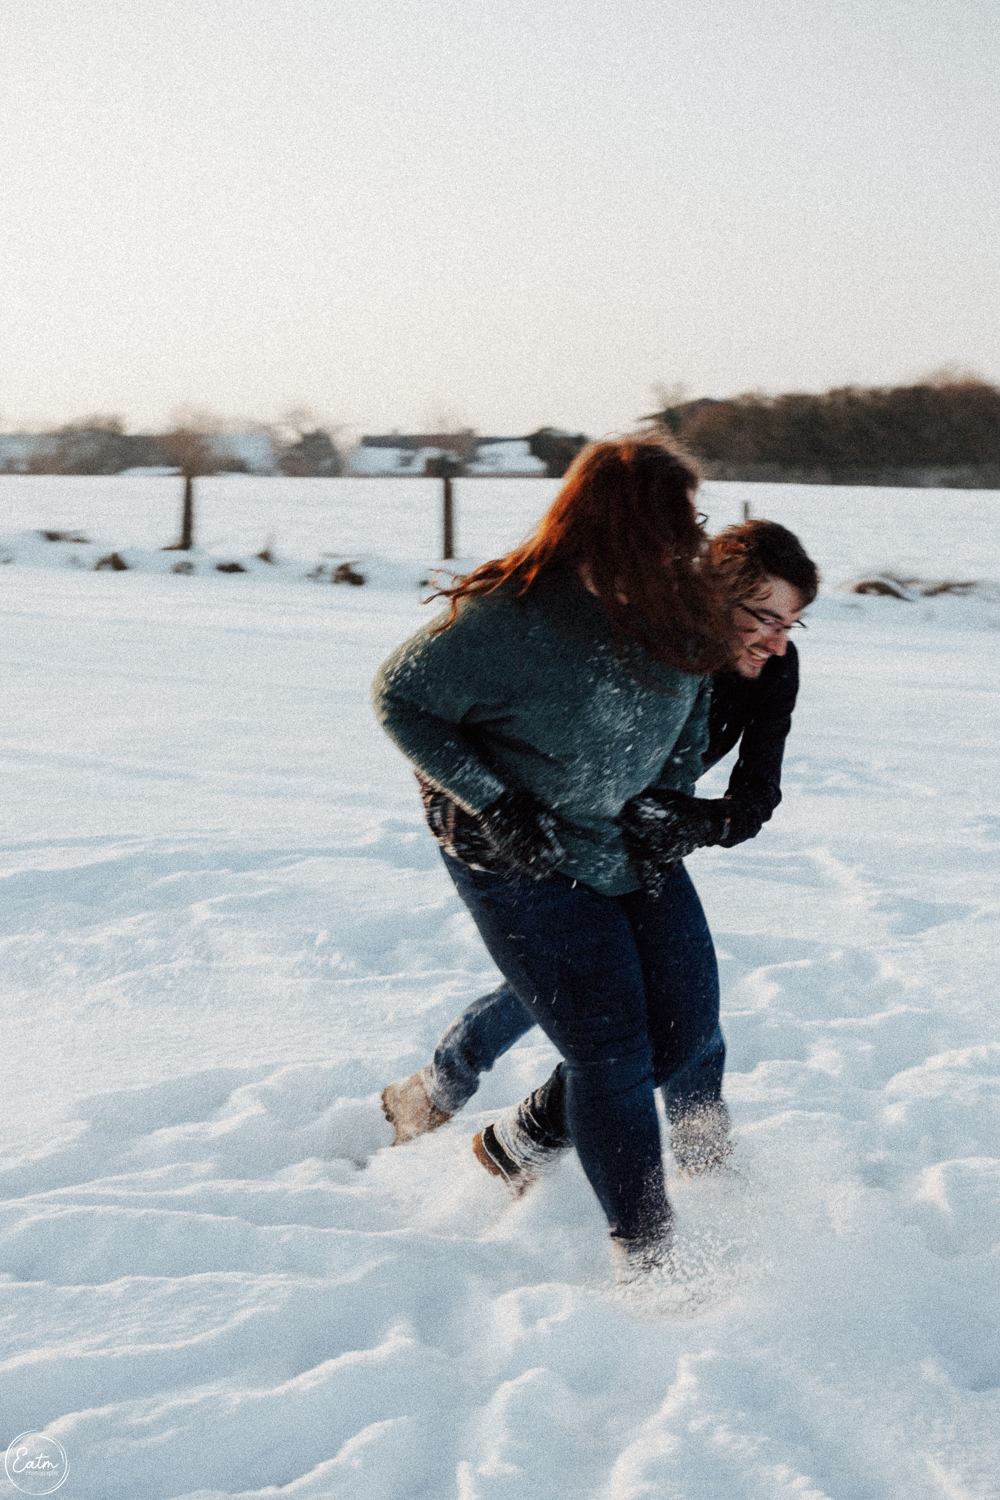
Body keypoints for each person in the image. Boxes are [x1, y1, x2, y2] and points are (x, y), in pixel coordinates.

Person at [373, 438, 783, 1278]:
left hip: (624, 841)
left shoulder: (679, 609)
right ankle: (648, 1257)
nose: (690, 539)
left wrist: (670, 808)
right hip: (516, 849)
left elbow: (692, 714)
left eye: (692, 519)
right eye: (673, 521)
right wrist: (494, 802)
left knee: (686, 1032)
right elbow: (401, 699)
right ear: (615, 524)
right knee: (611, 1051)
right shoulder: (510, 617)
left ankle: (518, 1141)